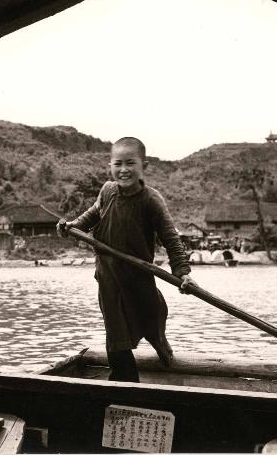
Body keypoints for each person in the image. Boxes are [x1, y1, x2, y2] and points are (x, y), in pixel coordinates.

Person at [57, 137, 196, 383]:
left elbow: (171, 239)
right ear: (110, 166)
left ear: (145, 165)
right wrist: (72, 227)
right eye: (118, 163)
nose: (123, 170)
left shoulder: (151, 200)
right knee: (115, 331)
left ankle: (159, 340)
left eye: (130, 163)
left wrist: (182, 272)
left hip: (137, 274)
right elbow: (91, 216)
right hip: (108, 275)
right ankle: (125, 380)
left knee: (150, 314)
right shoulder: (107, 191)